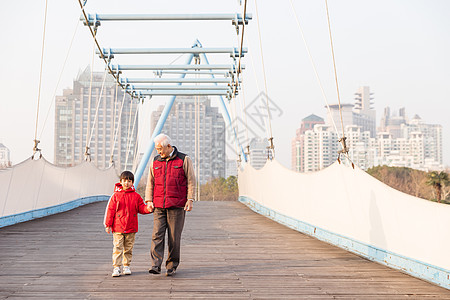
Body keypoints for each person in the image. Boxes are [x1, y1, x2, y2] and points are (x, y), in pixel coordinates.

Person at [145, 133, 196, 276]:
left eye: (160, 149)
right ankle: (155, 265)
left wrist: (190, 199)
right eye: (156, 149)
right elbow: (150, 182)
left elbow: (191, 180)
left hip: (177, 205)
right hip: (159, 205)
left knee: (174, 237)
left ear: (169, 146)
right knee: (157, 235)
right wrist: (149, 200)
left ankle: (171, 265)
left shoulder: (184, 159)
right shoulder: (155, 161)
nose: (158, 152)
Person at [104, 171, 151, 277]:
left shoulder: (136, 196)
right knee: (117, 248)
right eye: (125, 181)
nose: (127, 183)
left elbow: (141, 208)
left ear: (132, 183)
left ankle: (126, 265)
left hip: (131, 227)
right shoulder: (115, 196)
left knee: (128, 248)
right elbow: (110, 211)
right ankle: (116, 267)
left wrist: (148, 208)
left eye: (129, 181)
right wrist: (108, 224)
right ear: (120, 182)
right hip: (118, 227)